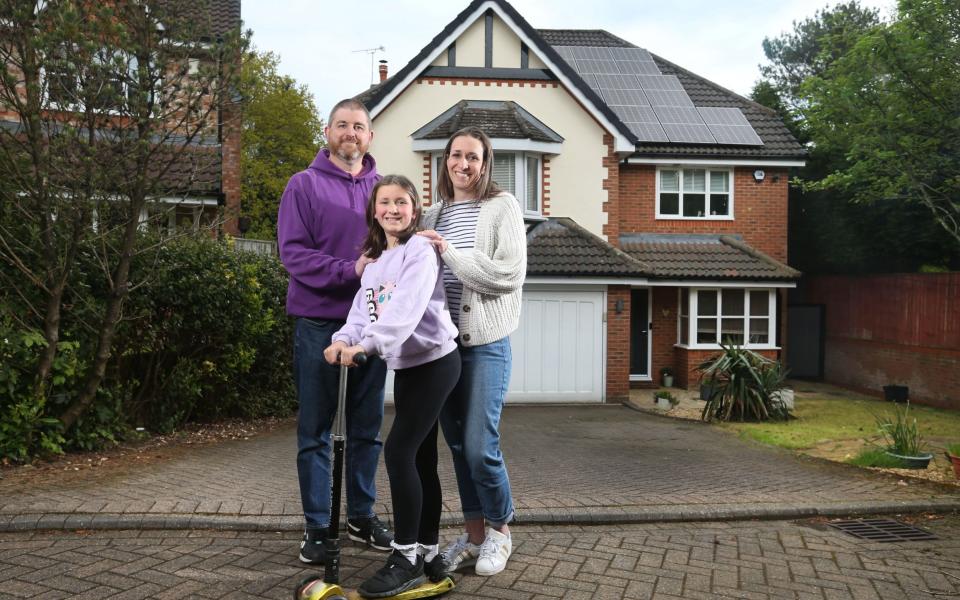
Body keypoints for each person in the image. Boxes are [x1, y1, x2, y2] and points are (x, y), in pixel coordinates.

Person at [324, 175, 460, 598]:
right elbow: (360, 312)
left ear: (414, 209)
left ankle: (405, 557)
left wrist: (367, 345)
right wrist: (342, 340)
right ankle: (430, 552)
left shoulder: (420, 250)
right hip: (407, 367)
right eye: (385, 202)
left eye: (402, 202)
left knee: (399, 451)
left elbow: (404, 310)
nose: (393, 210)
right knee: (420, 458)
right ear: (374, 211)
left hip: (436, 362)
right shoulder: (376, 260)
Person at [277, 98, 393, 565]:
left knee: (367, 429)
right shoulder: (302, 186)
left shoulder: (384, 189)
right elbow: (294, 254)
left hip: (371, 326)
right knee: (316, 431)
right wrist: (352, 269)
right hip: (320, 323)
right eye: (342, 125)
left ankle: (360, 516)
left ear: (370, 136)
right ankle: (317, 526)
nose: (351, 132)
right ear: (327, 131)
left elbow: (399, 252)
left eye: (359, 126)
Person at [418, 126, 526, 576]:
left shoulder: (502, 207)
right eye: (456, 155)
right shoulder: (432, 214)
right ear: (445, 161)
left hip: (485, 345)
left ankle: (501, 532)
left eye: (473, 157)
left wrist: (452, 255)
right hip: (442, 350)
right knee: (459, 448)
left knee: (481, 446)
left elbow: (507, 275)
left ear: (486, 164)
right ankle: (475, 535)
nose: (463, 164)